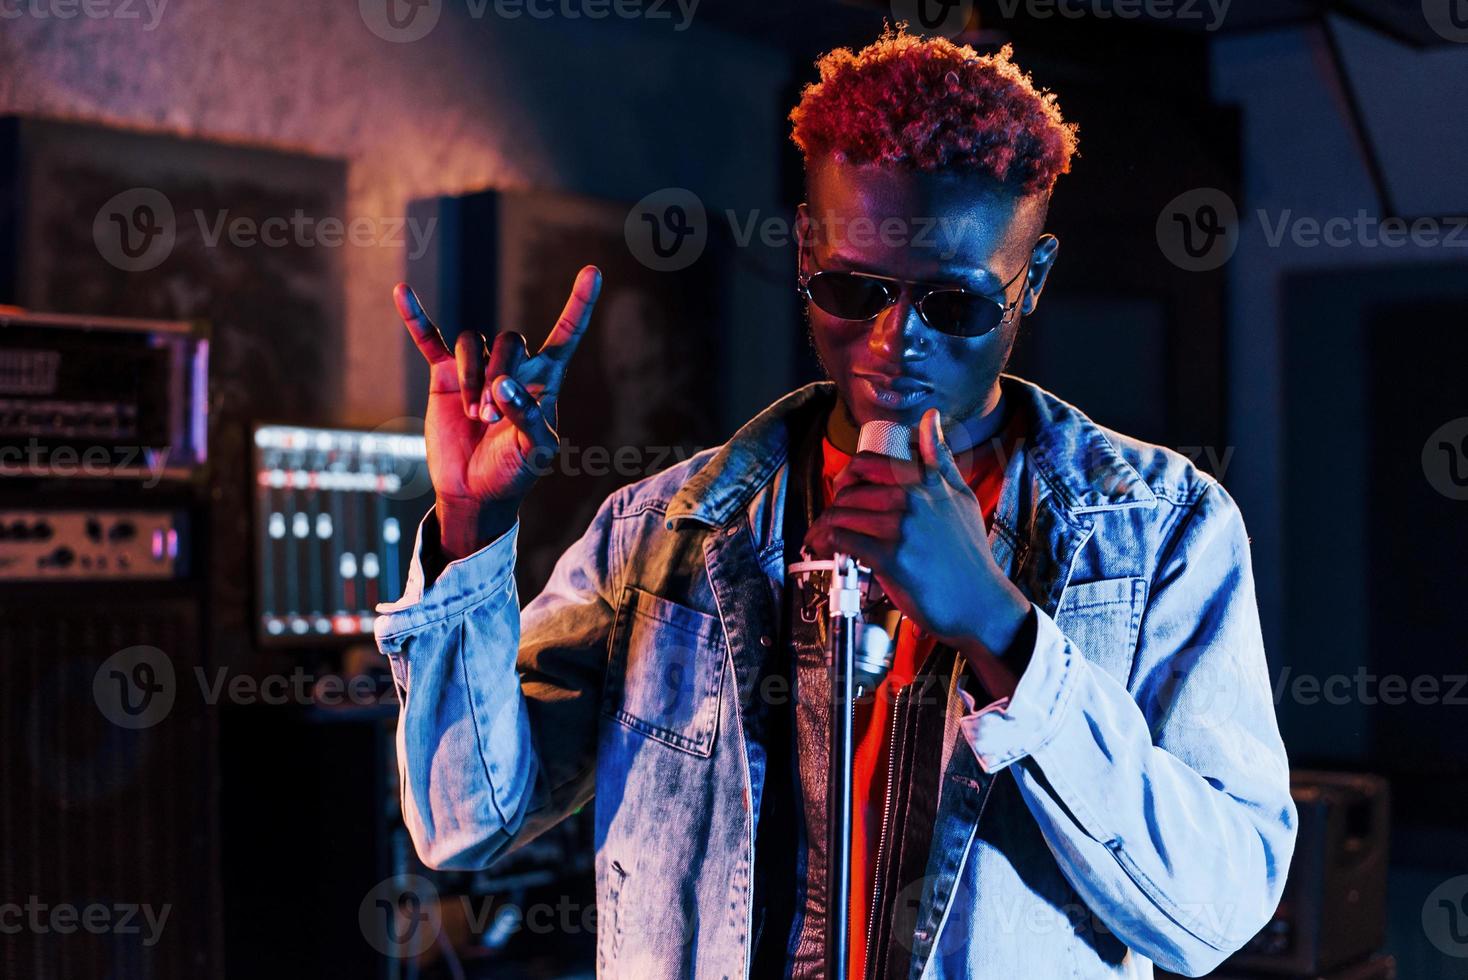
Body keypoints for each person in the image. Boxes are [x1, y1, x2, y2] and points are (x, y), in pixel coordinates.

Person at [374, 24, 1296, 979]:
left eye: (954, 305)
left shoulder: (1160, 531)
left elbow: (1214, 910)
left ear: (1035, 282)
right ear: (807, 251)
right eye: (855, 290)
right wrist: (470, 527)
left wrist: (998, 628)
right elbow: (465, 824)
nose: (897, 340)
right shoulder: (658, 539)